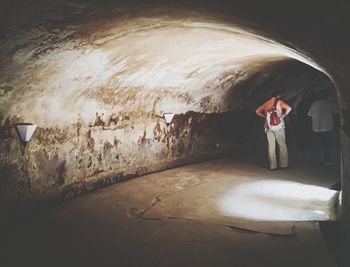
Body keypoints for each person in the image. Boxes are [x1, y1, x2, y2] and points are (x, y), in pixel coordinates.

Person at [256, 95, 292, 170]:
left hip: (268, 127)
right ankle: (283, 165)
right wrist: (283, 115)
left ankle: (273, 166)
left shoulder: (266, 103)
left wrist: (264, 116)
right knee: (282, 145)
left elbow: (257, 111)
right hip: (279, 127)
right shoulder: (280, 102)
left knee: (271, 146)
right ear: (277, 97)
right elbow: (289, 108)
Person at [308, 93, 339, 164]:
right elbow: (336, 113)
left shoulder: (314, 104)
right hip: (327, 127)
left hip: (316, 127)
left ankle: (315, 160)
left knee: (316, 145)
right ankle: (327, 160)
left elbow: (310, 115)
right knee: (327, 145)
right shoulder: (330, 104)